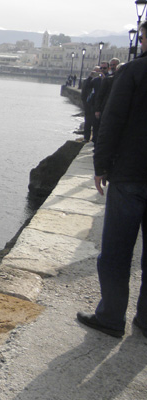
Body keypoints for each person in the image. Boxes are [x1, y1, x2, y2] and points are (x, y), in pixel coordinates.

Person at [77, 23, 147, 338]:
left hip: (131, 173)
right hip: (132, 172)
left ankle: (111, 317)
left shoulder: (133, 72)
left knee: (117, 251)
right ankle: (145, 320)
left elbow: (112, 120)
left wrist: (100, 165)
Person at [93, 58, 122, 143]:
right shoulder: (108, 79)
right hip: (105, 107)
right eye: (112, 65)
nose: (113, 67)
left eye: (114, 65)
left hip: (115, 109)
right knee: (100, 127)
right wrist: (97, 109)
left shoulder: (122, 80)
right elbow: (100, 95)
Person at [80, 67, 100, 142]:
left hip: (97, 104)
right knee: (88, 121)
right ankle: (86, 137)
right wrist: (90, 77)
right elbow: (84, 89)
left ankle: (94, 138)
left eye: (98, 72)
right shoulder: (88, 80)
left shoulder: (101, 81)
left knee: (95, 122)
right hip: (89, 104)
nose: (96, 73)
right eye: (95, 72)